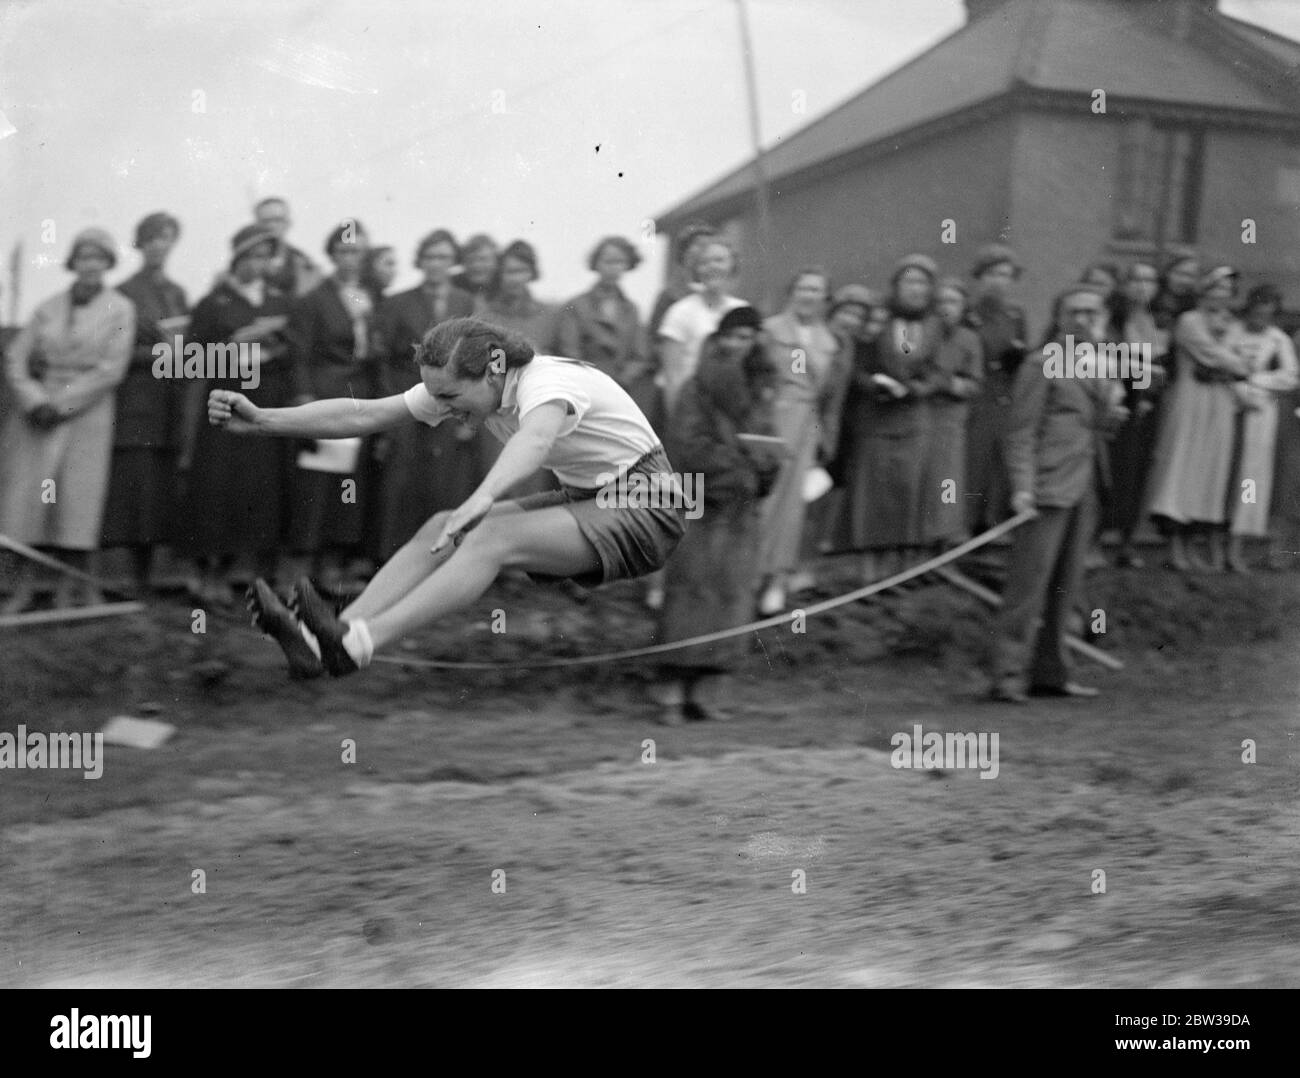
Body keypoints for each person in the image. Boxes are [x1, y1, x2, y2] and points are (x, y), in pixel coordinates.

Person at [211, 317, 686, 680]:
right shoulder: (462, 385)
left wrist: (483, 497)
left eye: (453, 396)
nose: (445, 407)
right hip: (592, 498)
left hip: (651, 505)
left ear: (494, 368)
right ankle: (324, 642)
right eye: (438, 395)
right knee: (442, 526)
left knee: (489, 536)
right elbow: (363, 415)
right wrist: (264, 419)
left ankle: (359, 644)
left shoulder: (548, 383)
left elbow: (535, 441)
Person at [990, 282, 1128, 703]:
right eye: (1076, 313)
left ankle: (1051, 674)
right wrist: (1023, 490)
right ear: (1060, 319)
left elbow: (1093, 426)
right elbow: (1020, 434)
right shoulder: (1040, 363)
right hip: (1046, 487)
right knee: (1027, 588)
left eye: (1093, 313)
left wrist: (1112, 418)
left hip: (1084, 484)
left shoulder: (1098, 365)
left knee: (1067, 587)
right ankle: (1008, 676)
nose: (1085, 320)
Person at [654, 306, 780, 724]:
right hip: (700, 500)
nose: (740, 344)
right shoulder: (698, 387)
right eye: (734, 336)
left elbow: (768, 441)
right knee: (690, 592)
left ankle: (705, 693)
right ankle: (670, 694)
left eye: (749, 337)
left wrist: (767, 467)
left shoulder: (763, 388)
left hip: (741, 507)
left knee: (730, 595)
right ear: (720, 339)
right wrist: (742, 467)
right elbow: (687, 444)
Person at [0, 228, 135, 613]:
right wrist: (35, 401)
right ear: (72, 262)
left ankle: (72, 590)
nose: (90, 265)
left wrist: (62, 405)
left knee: (76, 502)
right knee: (32, 499)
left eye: (98, 258)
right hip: (37, 416)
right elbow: (16, 357)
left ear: (108, 264)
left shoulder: (120, 308)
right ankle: (21, 589)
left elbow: (112, 368)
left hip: (85, 414)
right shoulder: (48, 307)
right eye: (83, 257)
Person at [175, 224, 294, 606]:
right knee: (218, 482)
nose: (257, 265)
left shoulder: (279, 301)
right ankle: (207, 569)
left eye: (264, 257)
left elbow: (297, 351)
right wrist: (236, 342)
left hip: (267, 395)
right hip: (225, 397)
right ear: (236, 259)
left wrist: (275, 347)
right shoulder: (214, 303)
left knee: (257, 483)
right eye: (251, 257)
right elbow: (190, 361)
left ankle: (240, 571)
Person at [282, 220, 382, 590]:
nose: (351, 259)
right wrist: (306, 400)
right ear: (332, 254)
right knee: (318, 483)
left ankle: (332, 567)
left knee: (348, 483)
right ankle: (299, 572)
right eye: (343, 251)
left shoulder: (365, 297)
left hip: (359, 395)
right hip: (326, 394)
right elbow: (301, 354)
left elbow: (370, 348)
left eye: (357, 251)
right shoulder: (313, 300)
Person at [370, 229, 480, 559]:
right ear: (420, 261)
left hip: (453, 401)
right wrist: (391, 407)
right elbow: (383, 360)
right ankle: (390, 558)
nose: (436, 264)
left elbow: (476, 358)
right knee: (400, 478)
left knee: (443, 480)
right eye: (430, 257)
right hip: (407, 396)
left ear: (453, 262)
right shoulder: (397, 303)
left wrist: (470, 414)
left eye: (444, 257)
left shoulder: (465, 302)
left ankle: (437, 556)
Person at [102, 212, 189, 595]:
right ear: (140, 244)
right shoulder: (123, 292)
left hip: (169, 401)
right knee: (134, 488)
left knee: (158, 490)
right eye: (151, 237)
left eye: (166, 238)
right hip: (136, 401)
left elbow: (186, 347)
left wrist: (182, 354)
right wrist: (160, 353)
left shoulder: (177, 293)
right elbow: (114, 353)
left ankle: (150, 576)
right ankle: (127, 578)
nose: (159, 245)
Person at [1145, 266, 1249, 572]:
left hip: (1219, 403)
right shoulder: (1189, 320)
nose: (1222, 296)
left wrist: (1235, 364)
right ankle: (1174, 548)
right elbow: (1211, 355)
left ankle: (1192, 547)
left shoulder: (1232, 324)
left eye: (1228, 291)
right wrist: (1233, 363)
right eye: (1216, 288)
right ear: (1204, 290)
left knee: (1208, 473)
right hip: (1191, 400)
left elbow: (1244, 361)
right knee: (1181, 468)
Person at [850, 253, 945, 583]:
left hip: (914, 421)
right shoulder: (877, 322)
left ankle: (898, 572)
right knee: (873, 493)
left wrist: (917, 388)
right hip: (877, 418)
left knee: (907, 493)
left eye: (923, 282)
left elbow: (938, 371)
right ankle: (869, 572)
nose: (916, 289)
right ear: (895, 286)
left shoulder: (935, 326)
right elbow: (858, 368)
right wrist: (875, 384)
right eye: (909, 281)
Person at [754, 267, 839, 614]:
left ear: (824, 298)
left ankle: (776, 579)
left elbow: (828, 398)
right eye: (803, 288)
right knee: (763, 498)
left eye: (816, 290)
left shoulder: (829, 342)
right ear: (792, 291)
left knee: (791, 506)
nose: (809, 295)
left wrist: (821, 441)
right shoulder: (770, 330)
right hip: (770, 420)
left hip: (805, 427)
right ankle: (749, 574)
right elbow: (756, 376)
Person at [1103, 260, 1169, 567]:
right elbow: (1110, 358)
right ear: (1124, 284)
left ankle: (1126, 540)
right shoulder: (1113, 318)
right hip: (1117, 399)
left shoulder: (1154, 320)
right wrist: (1143, 379)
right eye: (1137, 279)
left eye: (1151, 280)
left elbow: (1159, 367)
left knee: (1139, 470)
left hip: (1144, 403)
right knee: (1113, 468)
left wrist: (1148, 391)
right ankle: (1100, 537)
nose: (1144, 286)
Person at [1228, 284, 1298, 571]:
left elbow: (1291, 376)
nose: (1261, 320)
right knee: (1224, 477)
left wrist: (1256, 383)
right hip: (1229, 408)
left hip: (1260, 414)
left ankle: (1239, 546)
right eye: (1257, 313)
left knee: (1251, 479)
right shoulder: (1232, 332)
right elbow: (1224, 364)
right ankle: (1219, 547)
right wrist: (1239, 388)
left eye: (1267, 315)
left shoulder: (1277, 339)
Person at [557, 235, 657, 427]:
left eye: (619, 262)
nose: (613, 268)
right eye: (608, 261)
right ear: (596, 264)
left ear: (627, 265)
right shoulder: (577, 306)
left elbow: (641, 355)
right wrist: (595, 381)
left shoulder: (632, 309)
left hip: (621, 393)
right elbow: (569, 351)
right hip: (584, 393)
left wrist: (622, 380)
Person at [963, 243, 1029, 534]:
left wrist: (1019, 358)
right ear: (980, 277)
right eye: (992, 274)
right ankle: (962, 528)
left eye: (1005, 275)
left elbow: (1023, 351)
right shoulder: (969, 314)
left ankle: (989, 528)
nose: (999, 281)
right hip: (976, 397)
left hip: (1004, 397)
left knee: (998, 466)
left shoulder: (1016, 315)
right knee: (971, 465)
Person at [921, 277, 984, 550]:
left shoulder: (969, 339)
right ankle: (916, 540)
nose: (947, 308)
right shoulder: (920, 334)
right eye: (941, 302)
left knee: (946, 479)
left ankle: (942, 536)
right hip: (920, 415)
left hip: (950, 419)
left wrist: (946, 383)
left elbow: (974, 383)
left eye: (954, 301)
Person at [656, 237, 747, 418]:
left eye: (719, 260)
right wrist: (679, 423)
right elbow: (673, 376)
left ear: (732, 266)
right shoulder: (679, 312)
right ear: (697, 270)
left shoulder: (742, 310)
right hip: (691, 410)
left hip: (729, 412)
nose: (712, 267)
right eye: (705, 262)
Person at [647, 222, 718, 337]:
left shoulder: (718, 296)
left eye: (710, 246)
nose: (705, 251)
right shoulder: (670, 296)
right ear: (685, 252)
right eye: (700, 245)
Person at [253, 197, 320, 298]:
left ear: (288, 223)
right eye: (266, 221)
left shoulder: (306, 265)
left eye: (278, 220)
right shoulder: (243, 263)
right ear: (256, 225)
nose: (272, 226)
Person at [450, 233, 499, 301]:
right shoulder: (452, 284)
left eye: (483, 259)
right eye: (471, 260)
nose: (476, 265)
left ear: (496, 261)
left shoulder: (505, 285)